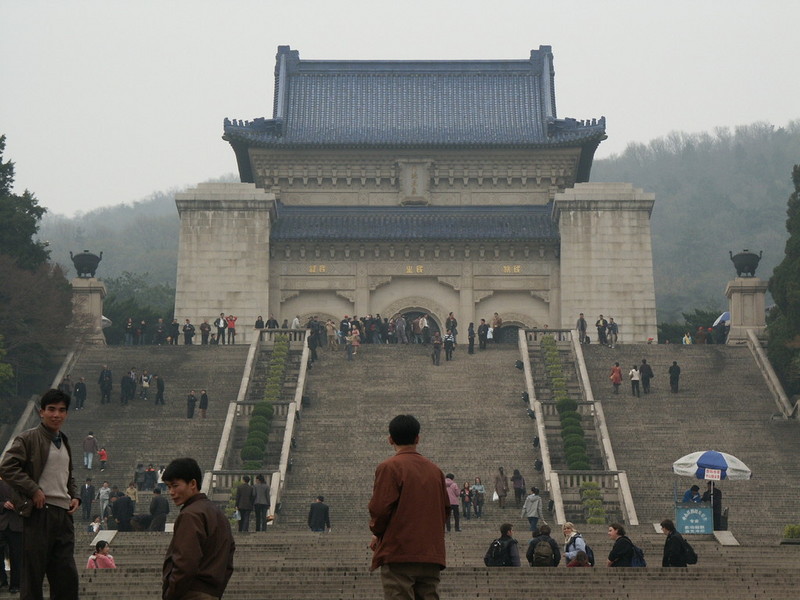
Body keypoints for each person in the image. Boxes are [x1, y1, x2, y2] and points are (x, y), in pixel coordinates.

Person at [0, 389, 81, 599]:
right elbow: (7, 467)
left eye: (61, 410)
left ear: (66, 414)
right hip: (39, 512)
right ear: (41, 412)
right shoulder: (28, 438)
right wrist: (33, 489)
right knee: (33, 575)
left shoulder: (64, 440)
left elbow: (66, 474)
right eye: (51, 409)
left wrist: (74, 496)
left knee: (66, 576)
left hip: (63, 515)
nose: (56, 415)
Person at [368, 414, 449, 600]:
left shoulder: (389, 467)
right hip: (430, 554)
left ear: (390, 439)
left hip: (399, 552)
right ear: (417, 438)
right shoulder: (435, 471)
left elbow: (380, 508)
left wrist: (377, 532)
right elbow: (445, 509)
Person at [161, 457, 235, 600]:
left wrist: (171, 594)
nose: (171, 492)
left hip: (190, 593)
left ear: (193, 484)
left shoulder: (190, 515)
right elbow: (228, 560)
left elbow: (185, 562)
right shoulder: (218, 514)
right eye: (169, 487)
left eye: (175, 486)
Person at [0, 480, 23, 593]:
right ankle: (2, 579)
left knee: (16, 555)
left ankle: (15, 584)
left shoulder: (22, 483)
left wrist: (18, 505)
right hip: (1, 523)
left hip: (17, 524)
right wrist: (3, 504)